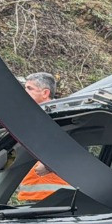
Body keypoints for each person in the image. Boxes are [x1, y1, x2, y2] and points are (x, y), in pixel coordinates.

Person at [15, 72, 72, 203]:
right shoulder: (33, 117)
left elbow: (74, 147)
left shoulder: (60, 116)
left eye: (29, 88)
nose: (24, 92)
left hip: (54, 197)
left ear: (45, 93)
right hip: (35, 194)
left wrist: (48, 165)